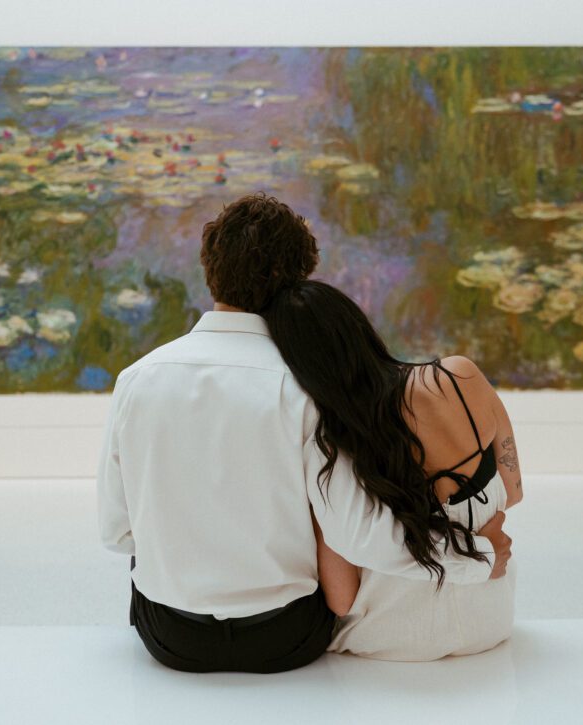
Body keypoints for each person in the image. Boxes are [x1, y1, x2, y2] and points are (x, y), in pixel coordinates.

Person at [95, 193, 512, 674]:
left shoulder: (136, 379)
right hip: (281, 639)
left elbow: (116, 533)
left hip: (170, 638)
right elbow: (357, 537)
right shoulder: (307, 390)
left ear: (209, 271)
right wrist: (477, 558)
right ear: (297, 280)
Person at [262, 279, 522, 661]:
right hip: (489, 621)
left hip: (388, 640)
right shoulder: (460, 376)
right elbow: (512, 492)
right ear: (360, 327)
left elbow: (341, 597)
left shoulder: (333, 445)